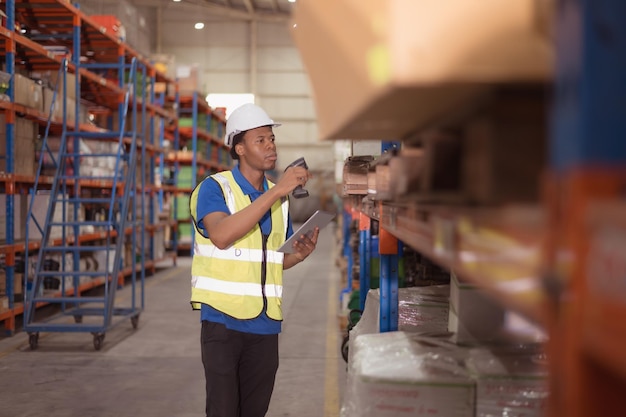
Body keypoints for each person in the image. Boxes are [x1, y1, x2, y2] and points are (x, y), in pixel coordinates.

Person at [189, 103, 319, 417]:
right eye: (260, 140)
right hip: (222, 323)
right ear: (239, 148)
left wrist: (297, 256)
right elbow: (221, 235)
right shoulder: (214, 188)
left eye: (271, 139)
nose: (270, 145)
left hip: (265, 327)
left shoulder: (280, 198)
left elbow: (271, 260)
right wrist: (276, 193)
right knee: (224, 411)